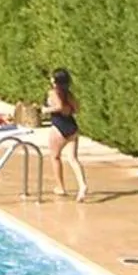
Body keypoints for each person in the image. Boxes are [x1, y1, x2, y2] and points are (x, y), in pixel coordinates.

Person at [46, 69, 88, 202]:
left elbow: (58, 106)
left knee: (55, 157)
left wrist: (45, 110)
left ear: (55, 80)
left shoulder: (53, 92)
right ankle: (82, 184)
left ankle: (60, 187)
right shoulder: (68, 94)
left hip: (59, 126)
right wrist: (68, 109)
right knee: (73, 158)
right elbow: (77, 109)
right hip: (72, 127)